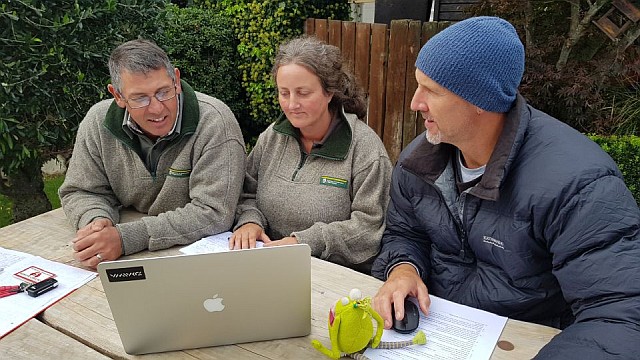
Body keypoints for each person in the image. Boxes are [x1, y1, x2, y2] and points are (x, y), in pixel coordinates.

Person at [371, 16, 640, 358]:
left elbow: (620, 313)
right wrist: (403, 269)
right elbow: (405, 233)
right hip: (431, 337)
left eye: (432, 91)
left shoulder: (578, 183)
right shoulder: (419, 162)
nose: (414, 102)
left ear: (480, 100)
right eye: (418, 84)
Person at [59, 39, 246, 269]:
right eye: (140, 98)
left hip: (198, 259)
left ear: (176, 80)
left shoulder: (215, 122)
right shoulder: (97, 122)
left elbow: (214, 212)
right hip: (128, 257)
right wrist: (97, 222)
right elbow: (80, 190)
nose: (157, 108)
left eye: (163, 92)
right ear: (117, 96)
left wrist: (126, 238)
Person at [230, 36, 393, 273]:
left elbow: (370, 227)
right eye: (284, 93)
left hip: (335, 277)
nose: (292, 104)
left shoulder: (365, 150)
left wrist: (303, 243)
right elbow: (246, 192)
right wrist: (250, 221)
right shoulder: (272, 137)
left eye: (303, 93)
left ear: (329, 93)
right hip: (267, 266)